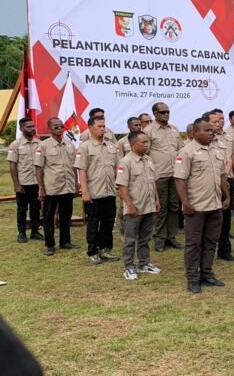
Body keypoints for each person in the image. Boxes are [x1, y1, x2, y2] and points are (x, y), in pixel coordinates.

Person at [174, 118, 229, 294]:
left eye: (211, 130)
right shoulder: (186, 152)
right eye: (206, 130)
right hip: (196, 206)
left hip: (215, 204)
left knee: (211, 241)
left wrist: (226, 196)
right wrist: (185, 203)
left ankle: (207, 273)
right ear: (195, 132)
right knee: (193, 244)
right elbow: (180, 180)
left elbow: (222, 176)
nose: (211, 133)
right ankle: (192, 278)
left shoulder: (216, 150)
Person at [116, 131, 162, 280]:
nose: (146, 145)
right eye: (143, 142)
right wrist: (129, 205)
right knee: (130, 239)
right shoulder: (126, 162)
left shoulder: (148, 159)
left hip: (149, 205)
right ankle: (129, 266)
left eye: (147, 142)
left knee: (145, 237)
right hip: (134, 207)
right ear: (133, 144)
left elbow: (152, 182)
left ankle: (144, 263)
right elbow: (122, 186)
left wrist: (156, 199)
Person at [75, 116, 120, 265]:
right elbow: (82, 170)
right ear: (90, 128)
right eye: (99, 126)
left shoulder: (111, 146)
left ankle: (105, 249)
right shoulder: (85, 147)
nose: (102, 129)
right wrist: (85, 191)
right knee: (94, 223)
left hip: (109, 191)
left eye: (104, 126)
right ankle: (93, 251)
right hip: (94, 191)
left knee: (108, 222)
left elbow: (117, 168)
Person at [34, 118, 80, 255]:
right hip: (51, 188)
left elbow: (74, 167)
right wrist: (41, 188)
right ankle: (49, 244)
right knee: (48, 217)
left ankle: (65, 242)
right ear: (49, 129)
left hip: (67, 186)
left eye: (61, 126)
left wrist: (76, 184)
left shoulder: (69, 145)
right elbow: (38, 168)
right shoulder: (43, 146)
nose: (60, 129)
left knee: (66, 216)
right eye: (56, 127)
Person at [144, 102, 183, 252]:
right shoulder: (149, 130)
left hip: (175, 173)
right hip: (159, 175)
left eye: (167, 111)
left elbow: (181, 149)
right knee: (161, 207)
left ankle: (171, 236)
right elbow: (145, 153)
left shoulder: (174, 129)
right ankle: (159, 237)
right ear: (155, 114)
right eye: (162, 112)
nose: (166, 114)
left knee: (174, 206)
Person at [208, 110, 234, 262]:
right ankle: (207, 251)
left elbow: (229, 158)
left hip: (225, 181)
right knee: (211, 219)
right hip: (209, 184)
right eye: (214, 121)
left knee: (225, 217)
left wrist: (225, 174)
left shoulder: (223, 140)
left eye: (220, 120)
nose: (219, 123)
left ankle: (224, 249)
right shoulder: (204, 142)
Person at [9, 117, 43, 243]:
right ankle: (21, 233)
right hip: (23, 183)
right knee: (22, 209)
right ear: (21, 128)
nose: (32, 129)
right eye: (28, 127)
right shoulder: (15, 145)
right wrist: (16, 184)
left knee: (36, 208)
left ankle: (35, 231)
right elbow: (12, 165)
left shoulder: (39, 144)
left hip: (37, 182)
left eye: (33, 126)